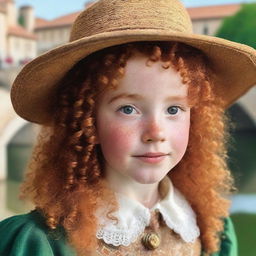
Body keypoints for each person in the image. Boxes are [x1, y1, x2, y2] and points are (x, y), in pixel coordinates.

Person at [1, 0, 256, 255]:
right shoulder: (38, 242)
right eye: (128, 109)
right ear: (88, 122)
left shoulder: (212, 231)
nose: (156, 132)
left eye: (174, 110)